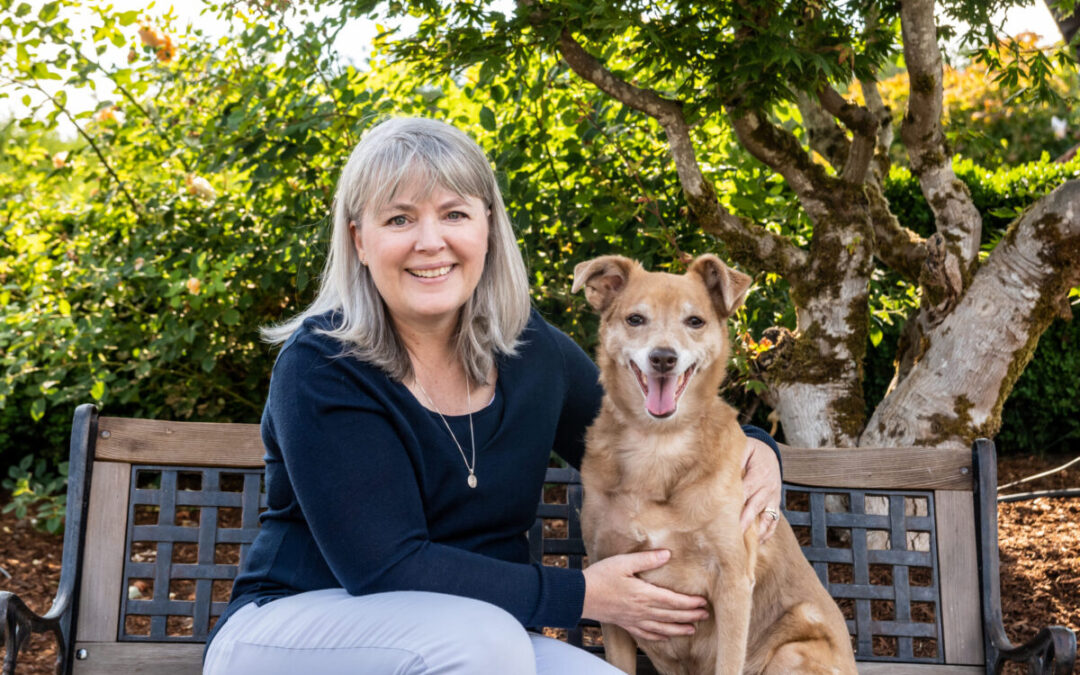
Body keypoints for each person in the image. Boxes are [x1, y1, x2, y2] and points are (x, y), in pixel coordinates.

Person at [202, 117, 784, 674]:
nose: (430, 242)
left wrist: (757, 449)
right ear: (359, 239)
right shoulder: (323, 365)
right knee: (486, 645)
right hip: (296, 628)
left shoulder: (531, 350)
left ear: (487, 226)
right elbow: (382, 565)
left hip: (480, 640)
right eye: (399, 219)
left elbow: (644, 420)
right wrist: (584, 594)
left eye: (453, 214)